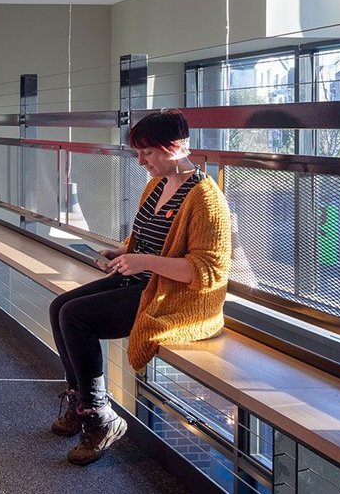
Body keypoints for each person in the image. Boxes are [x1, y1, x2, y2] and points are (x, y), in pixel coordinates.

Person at [48, 109, 231, 466]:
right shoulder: (158, 184)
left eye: (148, 151)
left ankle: (99, 416)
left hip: (173, 297)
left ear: (175, 148)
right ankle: (81, 402)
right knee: (60, 307)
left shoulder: (207, 200)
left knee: (75, 317)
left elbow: (208, 272)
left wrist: (143, 262)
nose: (141, 159)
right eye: (140, 151)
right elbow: (146, 236)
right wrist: (123, 252)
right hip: (141, 281)